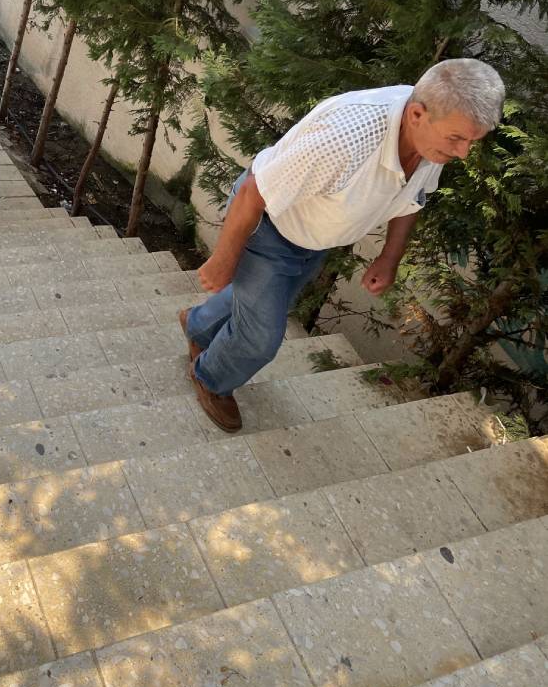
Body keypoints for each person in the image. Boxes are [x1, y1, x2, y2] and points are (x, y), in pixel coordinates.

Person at [181, 59, 506, 433]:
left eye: (471, 141)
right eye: (457, 139)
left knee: (271, 303)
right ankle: (209, 377)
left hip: (314, 239)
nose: (464, 153)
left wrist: (389, 257)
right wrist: (224, 259)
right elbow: (254, 193)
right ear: (417, 114)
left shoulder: (430, 136)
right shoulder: (346, 138)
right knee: (260, 339)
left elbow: (413, 196)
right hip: (269, 229)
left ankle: (198, 325)